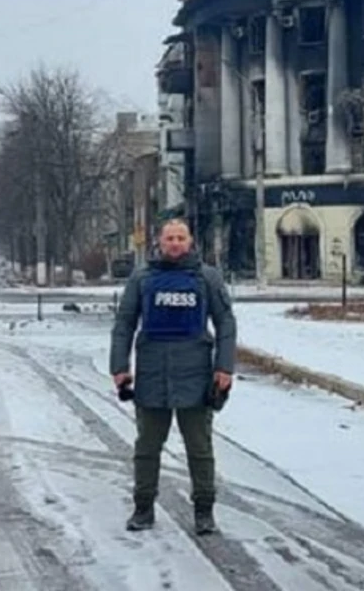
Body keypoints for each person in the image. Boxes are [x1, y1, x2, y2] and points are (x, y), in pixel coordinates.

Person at [109, 218, 237, 535]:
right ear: (160, 242)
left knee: (200, 449)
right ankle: (143, 509)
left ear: (190, 241)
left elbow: (226, 324)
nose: (175, 243)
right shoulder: (141, 278)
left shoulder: (208, 278)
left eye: (181, 237)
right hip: (152, 377)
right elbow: (124, 323)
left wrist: (224, 367)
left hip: (196, 378)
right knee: (147, 448)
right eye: (170, 238)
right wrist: (119, 367)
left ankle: (204, 512)